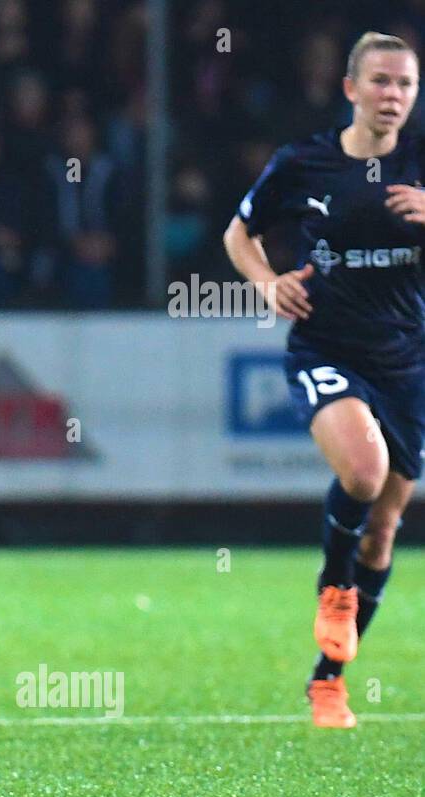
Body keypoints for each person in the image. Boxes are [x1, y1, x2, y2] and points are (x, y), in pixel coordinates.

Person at [223, 32, 424, 728]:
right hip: (326, 347)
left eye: (404, 84)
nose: (392, 96)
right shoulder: (304, 163)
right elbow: (238, 235)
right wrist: (268, 283)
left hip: (408, 361)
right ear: (350, 89)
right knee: (365, 476)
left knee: (386, 530)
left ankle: (328, 681)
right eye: (380, 82)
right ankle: (332, 586)